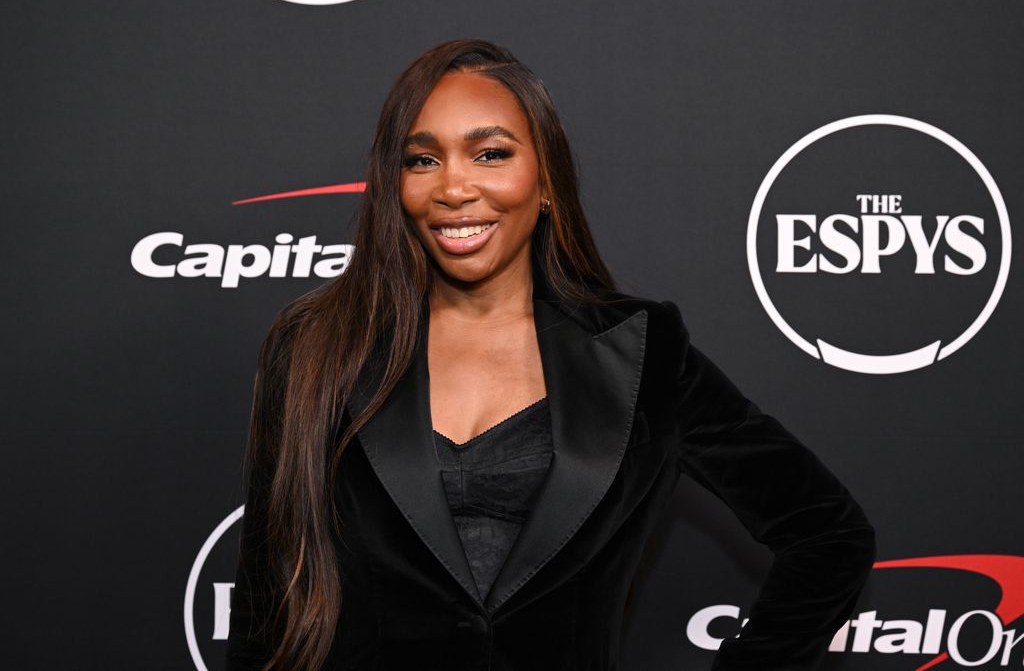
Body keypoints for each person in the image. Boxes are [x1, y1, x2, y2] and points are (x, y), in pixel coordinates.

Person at [226, 38, 876, 671]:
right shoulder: (313, 347)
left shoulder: (643, 351)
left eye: (490, 154)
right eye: (422, 160)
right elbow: (267, 596)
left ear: (546, 182)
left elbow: (828, 534)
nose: (453, 187)